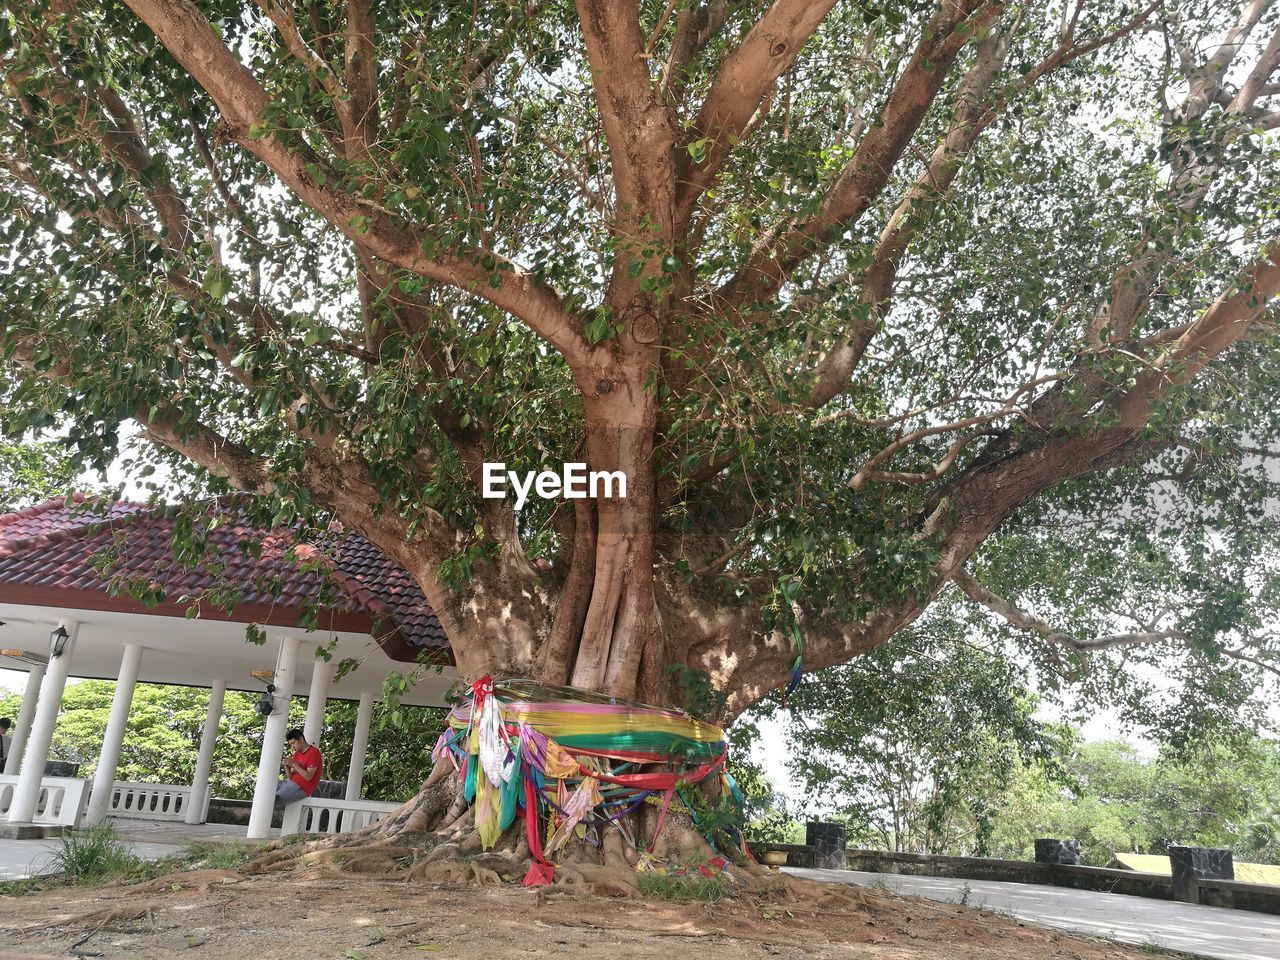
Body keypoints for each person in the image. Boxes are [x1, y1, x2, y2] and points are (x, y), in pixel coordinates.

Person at [275, 728, 322, 807]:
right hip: (290, 783)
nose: (292, 746)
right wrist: (286, 765)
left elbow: (308, 776)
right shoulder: (297, 753)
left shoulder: (313, 752)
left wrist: (293, 763)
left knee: (274, 798)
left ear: (301, 739)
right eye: (291, 744)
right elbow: (291, 776)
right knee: (267, 787)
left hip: (303, 787)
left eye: (294, 743)